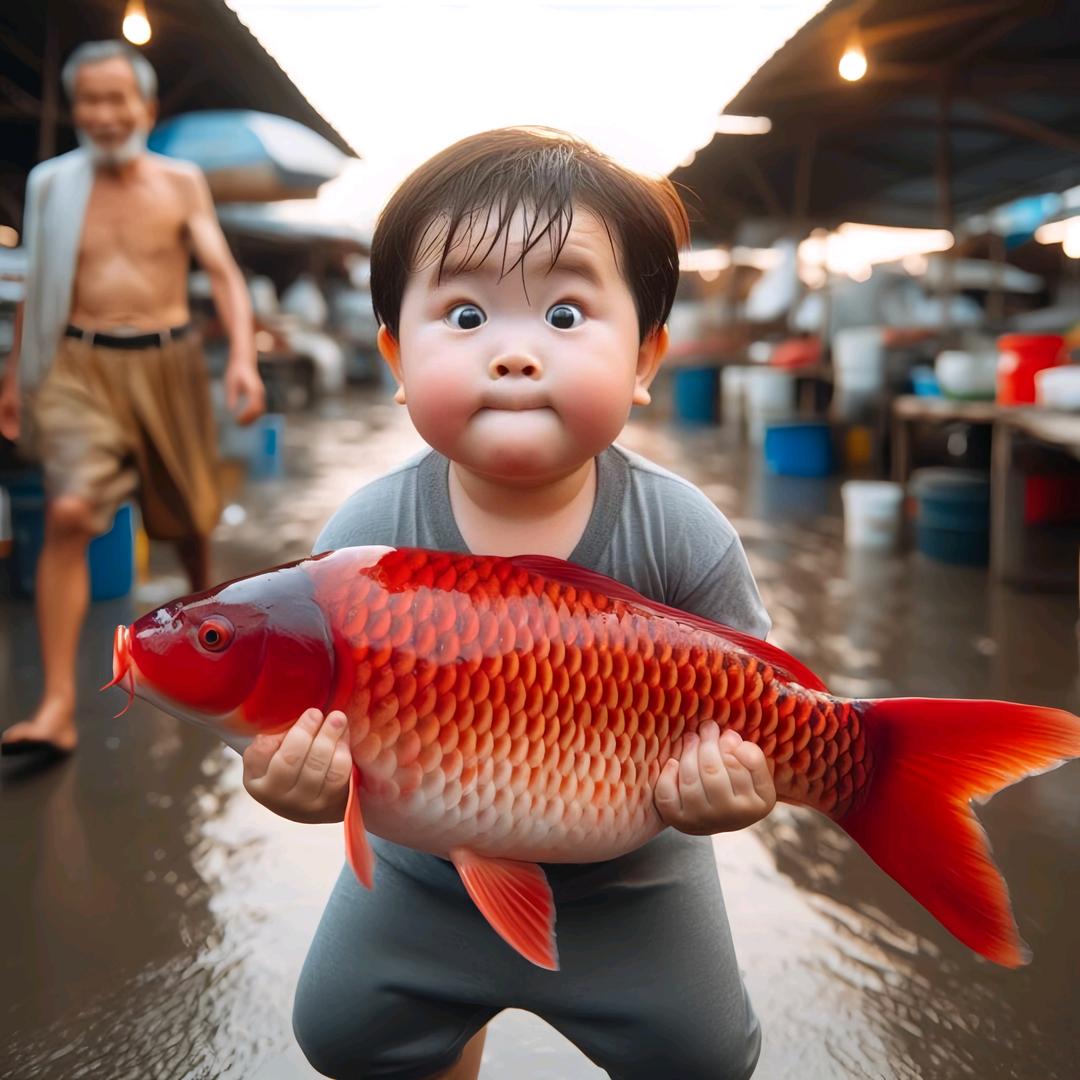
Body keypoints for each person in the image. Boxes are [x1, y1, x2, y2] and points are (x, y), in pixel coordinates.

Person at [241, 128, 775, 1080]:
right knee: (341, 1032)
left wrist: (731, 789)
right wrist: (300, 784)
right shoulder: (365, 543)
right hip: (426, 873)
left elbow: (761, 704)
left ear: (646, 357)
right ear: (396, 357)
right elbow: (318, 730)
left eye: (565, 315)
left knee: (705, 1060)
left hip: (633, 878)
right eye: (466, 316)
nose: (516, 354)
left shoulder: (683, 532)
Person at [0, 41, 264, 758]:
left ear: (145, 108)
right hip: (79, 367)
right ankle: (57, 707)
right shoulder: (52, 183)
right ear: (76, 109)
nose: (104, 113)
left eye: (118, 99)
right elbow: (36, 285)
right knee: (69, 513)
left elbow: (224, 274)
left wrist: (242, 357)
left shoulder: (180, 182)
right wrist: (15, 377)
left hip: (168, 363)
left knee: (191, 525)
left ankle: (221, 659)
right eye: (90, 100)